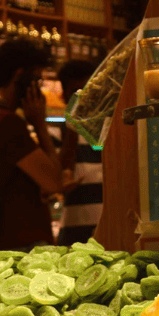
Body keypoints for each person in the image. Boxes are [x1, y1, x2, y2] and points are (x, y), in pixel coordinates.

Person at [0, 38, 63, 252]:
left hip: (6, 241)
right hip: (21, 244)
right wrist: (40, 123)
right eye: (37, 80)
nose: (39, 89)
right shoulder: (6, 123)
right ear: (21, 76)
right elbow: (54, 182)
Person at [57, 59, 104, 245]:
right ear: (64, 96)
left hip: (107, 231)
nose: (83, 99)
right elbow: (61, 174)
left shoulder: (108, 131)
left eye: (87, 91)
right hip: (73, 236)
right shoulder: (57, 133)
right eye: (75, 93)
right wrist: (72, 125)